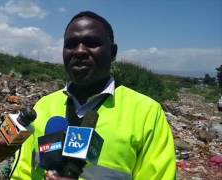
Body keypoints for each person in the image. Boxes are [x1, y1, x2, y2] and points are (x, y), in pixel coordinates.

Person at [10, 11, 176, 180]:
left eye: (92, 43)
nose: (79, 51)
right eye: (71, 44)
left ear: (113, 52)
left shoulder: (146, 113)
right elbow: (21, 174)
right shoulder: (43, 106)